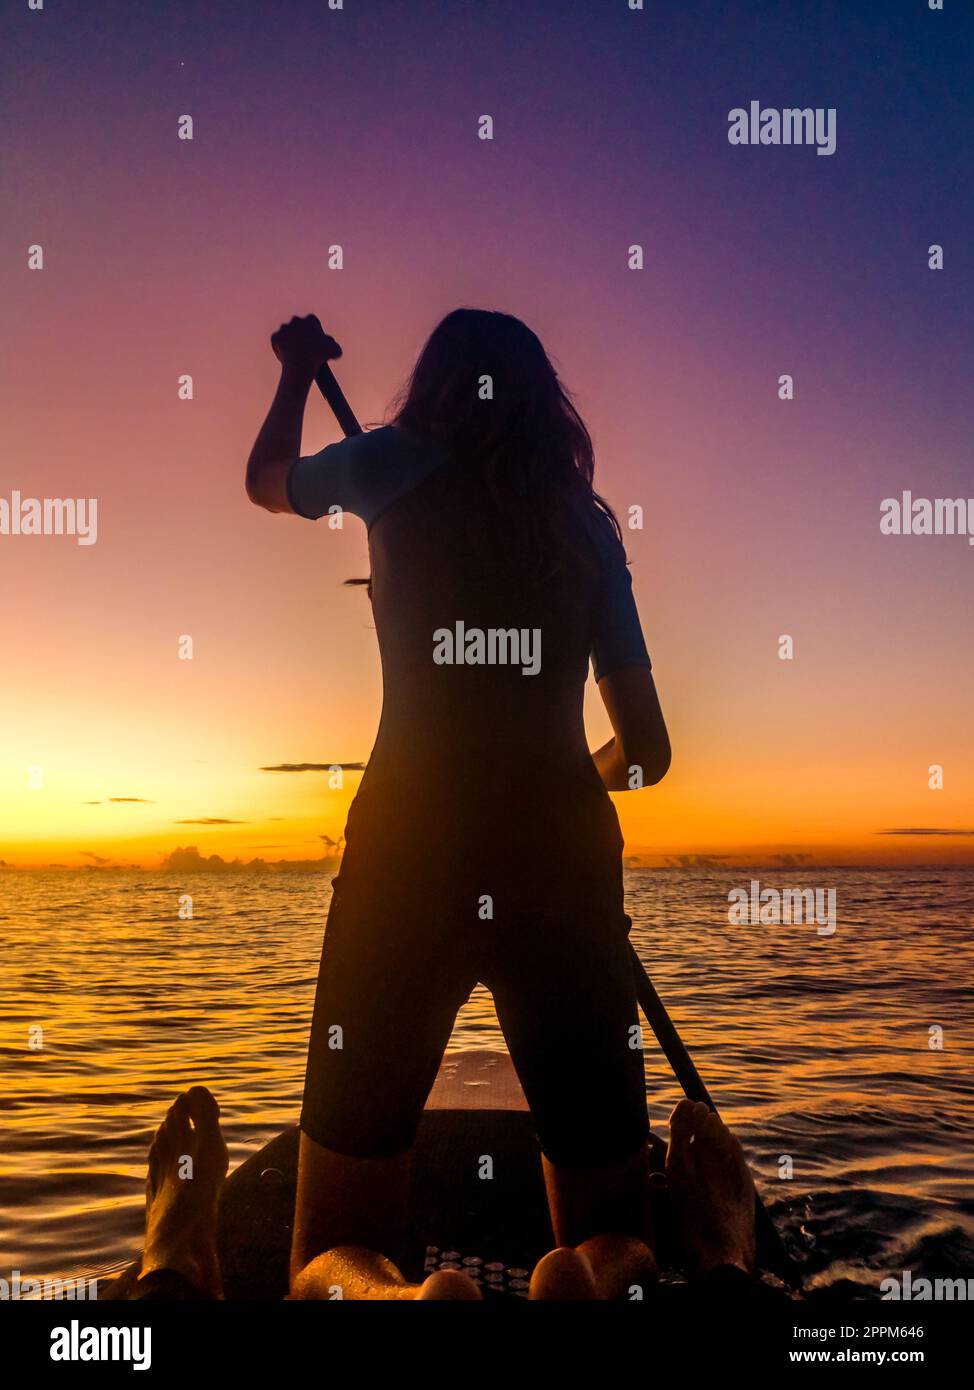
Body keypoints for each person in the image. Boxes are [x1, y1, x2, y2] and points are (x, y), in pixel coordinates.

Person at [245, 309, 672, 1299]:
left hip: (406, 852)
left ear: (432, 384)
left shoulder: (381, 464)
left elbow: (266, 482)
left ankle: (399, 1297)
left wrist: (297, 370)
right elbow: (647, 752)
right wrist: (567, 777)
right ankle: (587, 1276)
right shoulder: (584, 524)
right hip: (560, 861)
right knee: (616, 1234)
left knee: (331, 1248)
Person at [111, 1086, 763, 1301]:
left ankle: (176, 1266)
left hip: (401, 834)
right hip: (566, 834)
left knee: (330, 1259)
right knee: (630, 1253)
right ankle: (702, 1261)